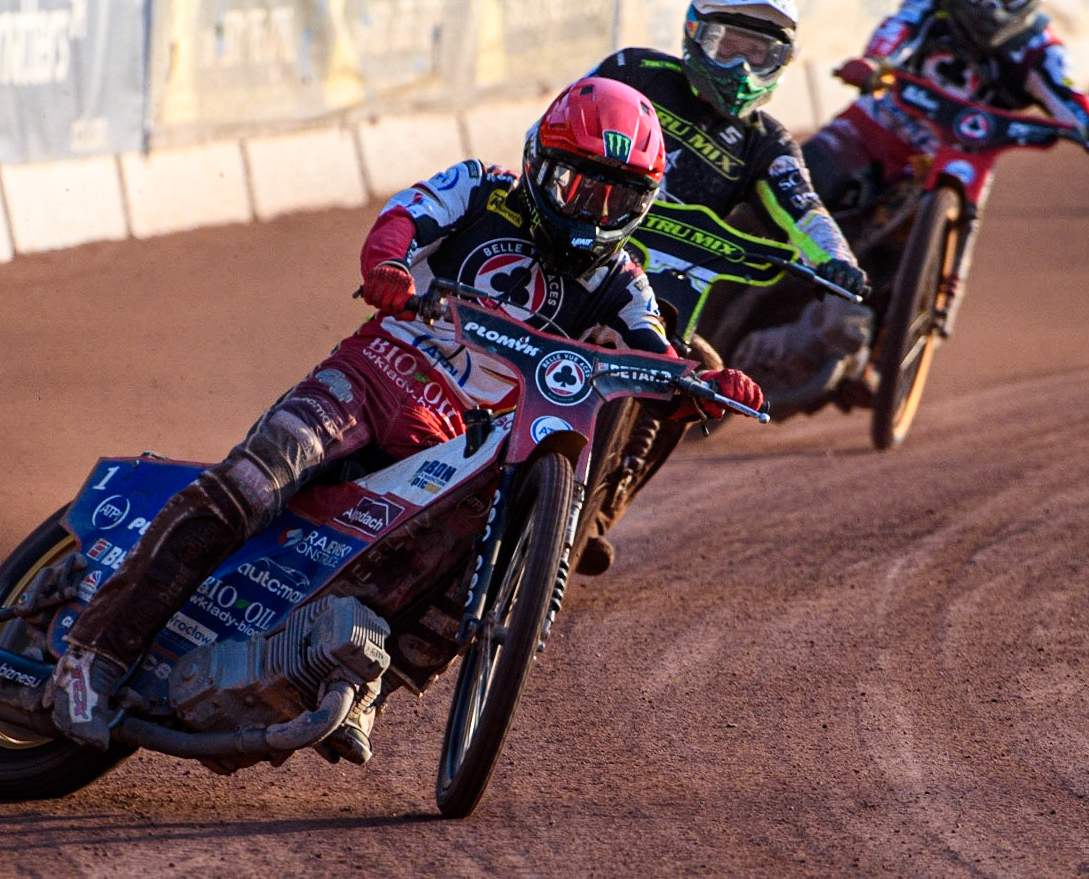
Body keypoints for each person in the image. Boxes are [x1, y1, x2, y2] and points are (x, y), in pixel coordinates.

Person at [42, 76, 766, 750]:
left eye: (615, 199)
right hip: (376, 373)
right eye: (578, 186)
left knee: (466, 561)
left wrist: (703, 385)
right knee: (253, 484)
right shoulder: (481, 188)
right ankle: (93, 655)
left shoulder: (623, 278)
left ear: (643, 205)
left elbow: (656, 360)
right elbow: (402, 218)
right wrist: (388, 267)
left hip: (456, 439)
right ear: (539, 164)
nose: (592, 213)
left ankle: (364, 681)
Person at [577, 0, 869, 576]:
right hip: (576, 250)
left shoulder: (767, 142)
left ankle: (599, 514)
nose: (739, 69)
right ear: (694, 35)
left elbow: (804, 208)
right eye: (727, 47)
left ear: (780, 63)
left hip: (665, 301)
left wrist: (837, 260)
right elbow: (562, 127)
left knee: (701, 378)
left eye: (757, 55)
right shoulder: (633, 72)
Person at [796, 0, 1089, 318]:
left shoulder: (1041, 48)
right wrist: (874, 62)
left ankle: (921, 321)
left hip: (957, 161)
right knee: (801, 176)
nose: (992, 2)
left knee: (912, 262)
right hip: (878, 124)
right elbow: (898, 27)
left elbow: (1066, 93)